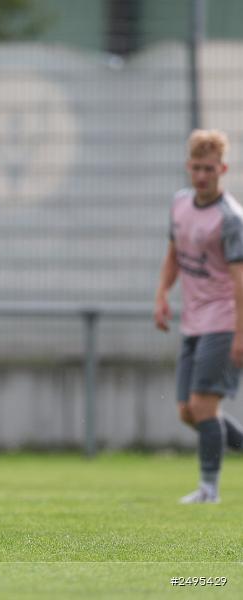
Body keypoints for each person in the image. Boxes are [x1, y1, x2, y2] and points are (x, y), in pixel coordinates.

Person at [154, 128, 243, 504]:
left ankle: (209, 490)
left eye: (209, 168)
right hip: (192, 320)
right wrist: (162, 294)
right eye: (196, 168)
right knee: (188, 412)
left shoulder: (231, 218)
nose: (202, 175)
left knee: (205, 407)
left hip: (222, 320)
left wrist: (240, 335)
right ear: (188, 168)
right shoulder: (179, 204)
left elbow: (240, 281)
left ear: (222, 169)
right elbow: (174, 254)